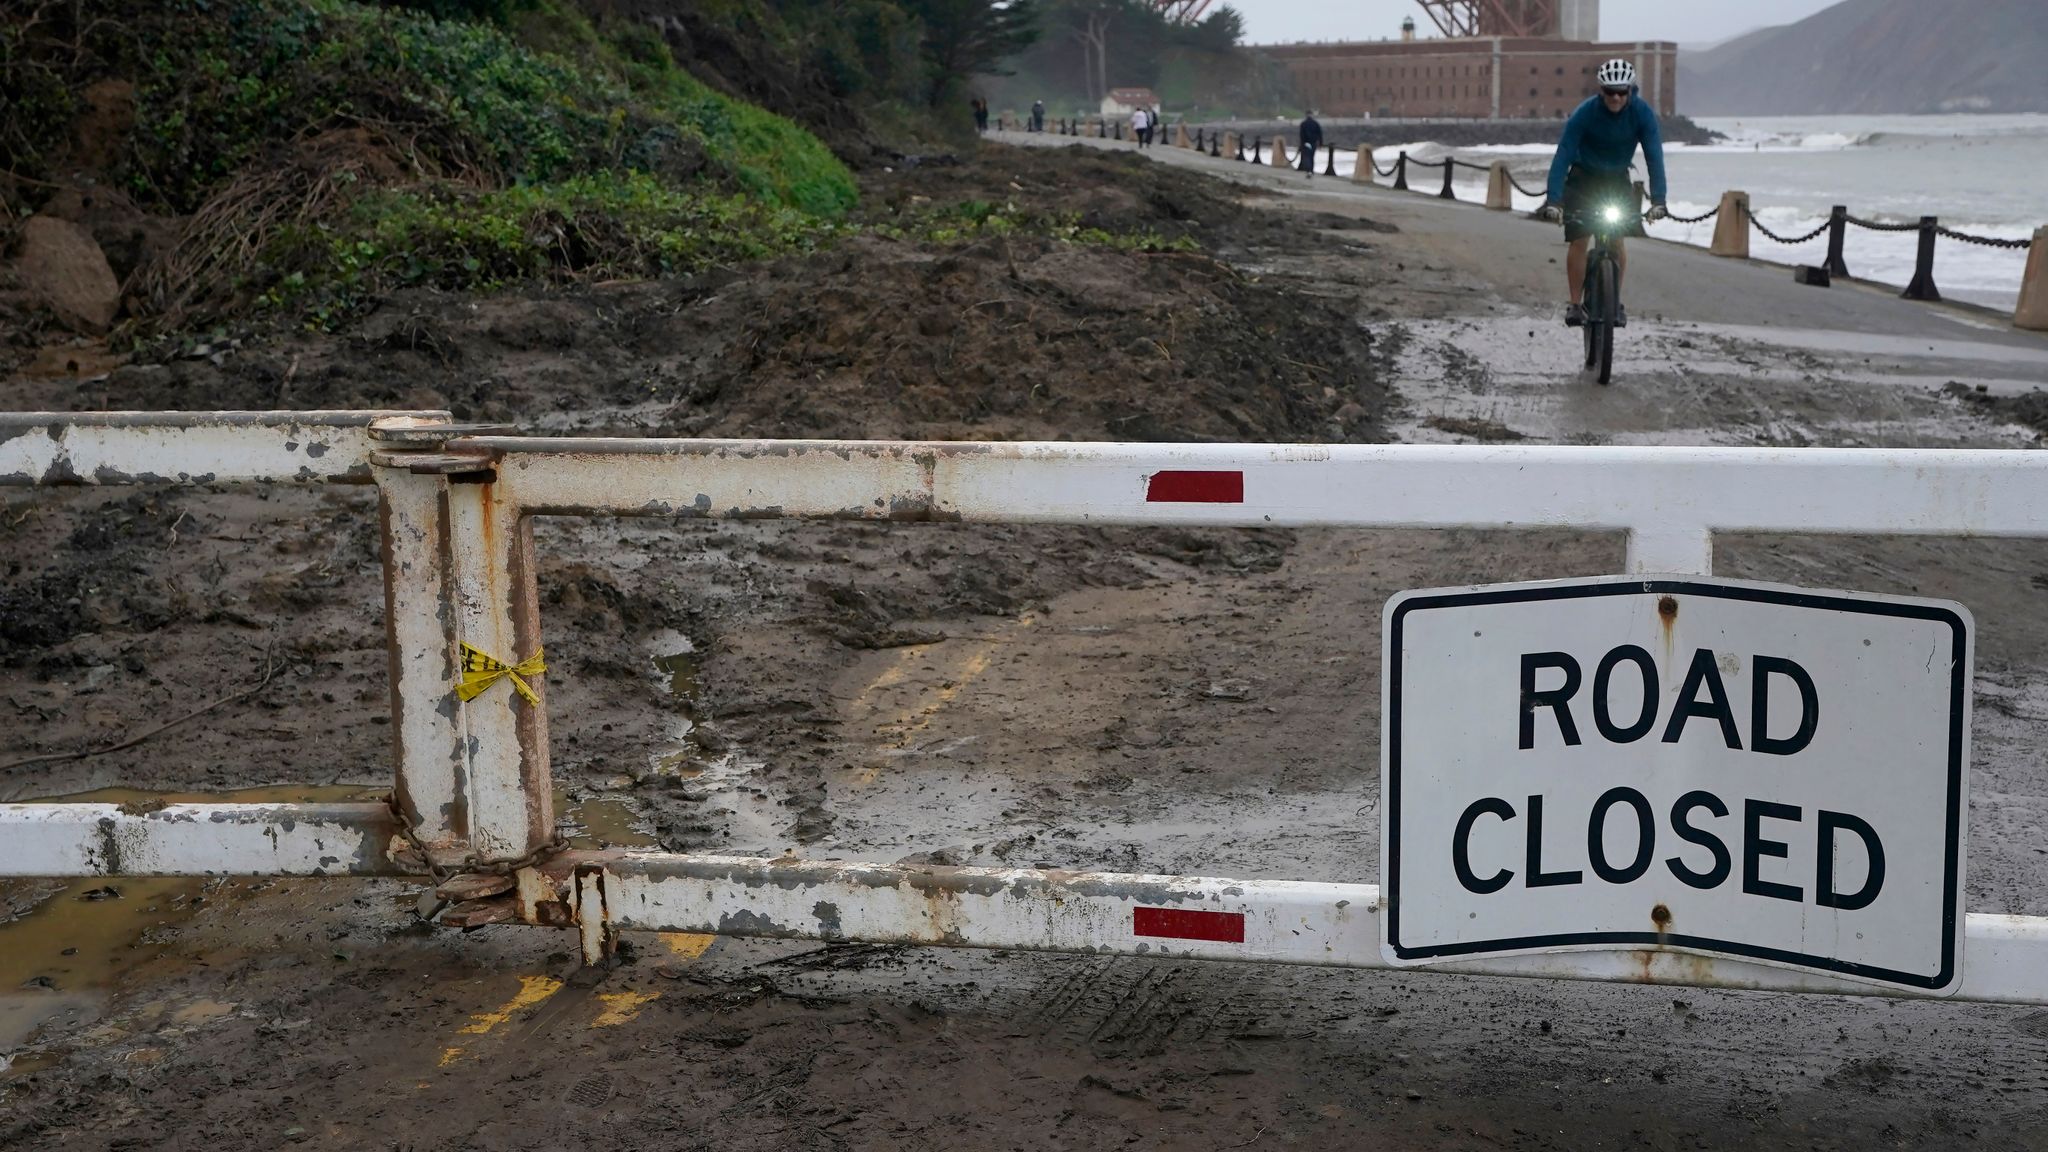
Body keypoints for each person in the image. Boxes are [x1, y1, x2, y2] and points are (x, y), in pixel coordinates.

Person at [1537, 60, 1670, 329]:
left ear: (1631, 91)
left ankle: (1615, 300)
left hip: (1617, 179)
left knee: (1618, 240)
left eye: (1622, 92)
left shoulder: (1642, 114)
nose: (1617, 98)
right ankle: (1575, 304)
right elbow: (1563, 155)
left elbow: (1655, 157)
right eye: (1610, 92)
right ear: (1601, 91)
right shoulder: (1584, 113)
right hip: (1583, 178)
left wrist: (1659, 200)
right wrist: (1554, 200)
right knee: (1580, 238)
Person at [1298, 110, 1324, 180]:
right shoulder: (1316, 124)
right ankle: (1311, 170)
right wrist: (1321, 143)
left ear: (1306, 115)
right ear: (1312, 115)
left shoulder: (1303, 124)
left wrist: (1302, 143)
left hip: (1306, 143)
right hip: (1313, 143)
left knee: (1307, 157)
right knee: (1312, 157)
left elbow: (1302, 135)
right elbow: (1320, 134)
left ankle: (1308, 170)